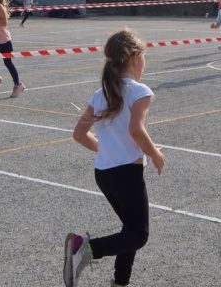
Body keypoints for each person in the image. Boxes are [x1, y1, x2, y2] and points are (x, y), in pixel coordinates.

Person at [64, 29, 163, 287]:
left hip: (104, 174)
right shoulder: (139, 91)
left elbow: (79, 134)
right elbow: (136, 131)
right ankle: (85, 250)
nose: (144, 63)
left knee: (129, 229)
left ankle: (120, 282)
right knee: (139, 235)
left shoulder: (101, 94)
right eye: (144, 57)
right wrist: (155, 154)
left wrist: (108, 149)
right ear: (133, 57)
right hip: (126, 174)